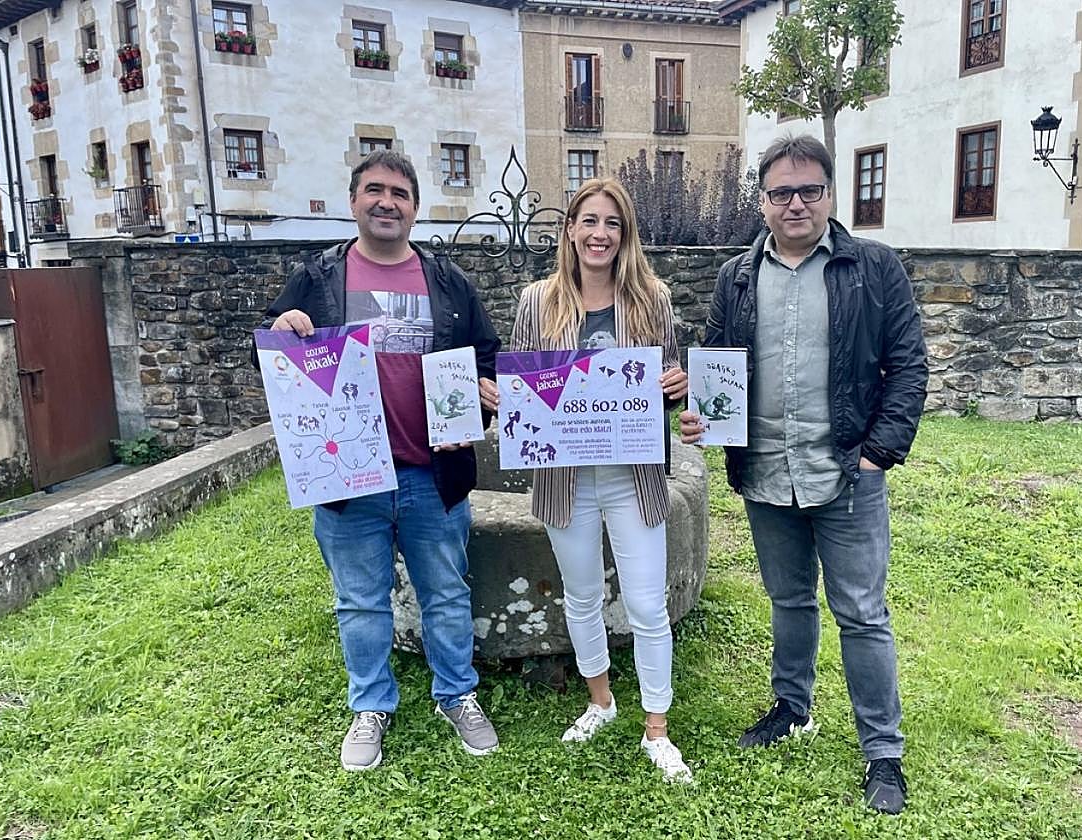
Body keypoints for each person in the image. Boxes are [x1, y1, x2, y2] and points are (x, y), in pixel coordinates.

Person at [680, 135, 927, 813]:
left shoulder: (873, 267)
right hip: (765, 472)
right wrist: (702, 416)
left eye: (809, 190)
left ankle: (883, 753)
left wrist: (880, 453)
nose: (796, 203)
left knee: (862, 613)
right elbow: (716, 364)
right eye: (781, 192)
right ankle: (793, 708)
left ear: (829, 195)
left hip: (846, 474)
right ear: (762, 202)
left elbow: (909, 367)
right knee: (789, 602)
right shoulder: (736, 276)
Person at [260, 150, 502, 770]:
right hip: (351, 475)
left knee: (446, 593)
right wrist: (284, 328)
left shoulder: (448, 281)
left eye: (399, 192)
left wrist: (478, 396)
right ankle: (371, 705)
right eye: (375, 190)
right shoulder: (316, 278)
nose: (386, 201)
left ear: (416, 208)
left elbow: (485, 357)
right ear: (354, 201)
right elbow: (275, 358)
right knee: (359, 600)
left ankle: (457, 695)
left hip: (432, 472)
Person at [486, 178, 692, 783]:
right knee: (581, 597)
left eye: (612, 224)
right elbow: (524, 390)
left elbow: (674, 382)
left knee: (647, 604)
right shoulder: (536, 302)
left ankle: (657, 728)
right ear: (570, 230)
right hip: (564, 479)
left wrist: (678, 386)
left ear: (624, 236)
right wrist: (505, 398)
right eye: (589, 221)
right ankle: (600, 700)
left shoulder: (653, 299)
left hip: (632, 476)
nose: (599, 234)